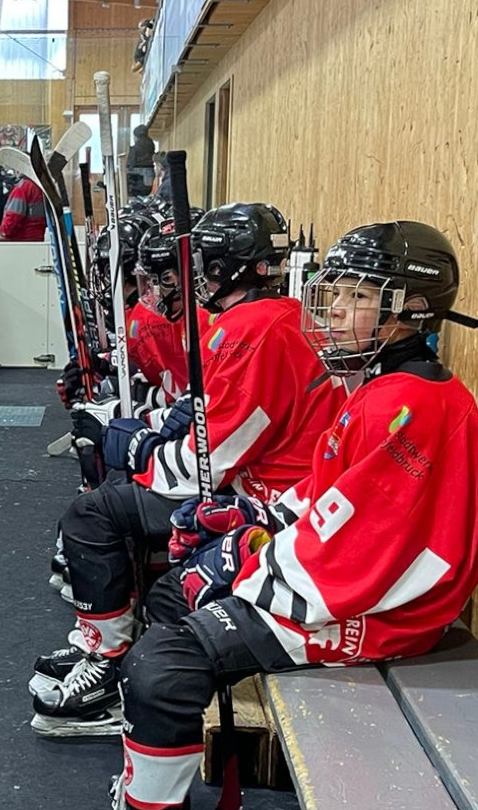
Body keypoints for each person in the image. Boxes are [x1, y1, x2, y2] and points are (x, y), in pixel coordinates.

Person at [60, 220, 478, 810]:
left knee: (163, 666)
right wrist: (251, 521)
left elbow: (362, 561)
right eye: (339, 294)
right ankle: (149, 787)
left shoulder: (412, 409)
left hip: (376, 615)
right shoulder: (381, 390)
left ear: (410, 312)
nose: (333, 313)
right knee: (169, 607)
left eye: (358, 298)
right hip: (346, 589)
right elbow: (324, 500)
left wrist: (245, 565)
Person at [32, 204, 342, 737]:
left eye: (202, 264)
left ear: (232, 267)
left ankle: (109, 667)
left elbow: (209, 457)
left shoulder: (255, 330)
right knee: (118, 511)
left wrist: (137, 448)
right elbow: (204, 411)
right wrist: (149, 425)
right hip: (263, 487)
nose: (193, 276)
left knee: (92, 515)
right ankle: (111, 648)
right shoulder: (266, 319)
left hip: (263, 498)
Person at [0, 172, 48, 242]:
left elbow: (14, 216)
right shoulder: (40, 186)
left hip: (22, 239)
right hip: (37, 237)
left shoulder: (23, 187)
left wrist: (4, 232)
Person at [127, 125, 156, 198]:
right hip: (150, 172)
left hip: (137, 175)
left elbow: (131, 162)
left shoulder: (136, 147)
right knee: (146, 195)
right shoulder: (151, 144)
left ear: (136, 136)